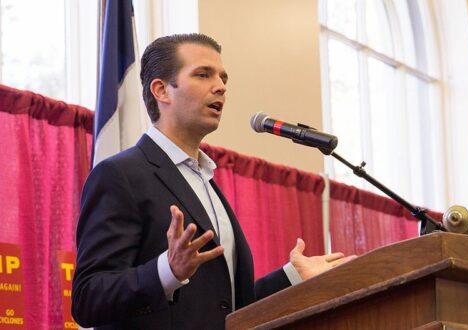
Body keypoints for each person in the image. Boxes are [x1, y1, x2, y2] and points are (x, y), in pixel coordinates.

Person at [72, 33, 354, 330]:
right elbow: (87, 298)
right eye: (203, 75)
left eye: (223, 78)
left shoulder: (207, 183)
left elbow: (226, 307)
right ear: (161, 90)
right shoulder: (121, 175)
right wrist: (165, 271)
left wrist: (292, 276)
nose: (220, 87)